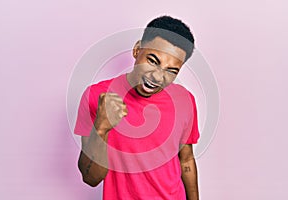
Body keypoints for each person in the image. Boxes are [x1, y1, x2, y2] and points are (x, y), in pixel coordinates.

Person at [74, 15, 200, 200]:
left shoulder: (185, 100)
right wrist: (101, 128)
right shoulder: (96, 96)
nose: (158, 76)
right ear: (136, 50)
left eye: (171, 71)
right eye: (153, 61)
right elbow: (90, 178)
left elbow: (186, 159)